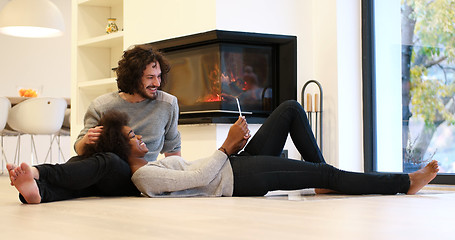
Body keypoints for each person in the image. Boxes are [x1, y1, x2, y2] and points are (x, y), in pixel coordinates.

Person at [9, 101, 439, 203]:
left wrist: (232, 148)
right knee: (322, 175)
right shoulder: (144, 177)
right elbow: (195, 179)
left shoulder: (150, 164)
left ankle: (319, 175)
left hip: (233, 164)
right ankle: (403, 183)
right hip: (237, 180)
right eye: (135, 139)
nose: (143, 138)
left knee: (288, 109)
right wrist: (227, 146)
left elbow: (194, 167)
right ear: (124, 148)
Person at [74, 43, 181, 161]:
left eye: (159, 76)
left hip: (145, 173)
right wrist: (86, 140)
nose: (157, 83)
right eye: (150, 77)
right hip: (109, 171)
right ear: (133, 77)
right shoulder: (100, 106)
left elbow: (173, 152)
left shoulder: (168, 104)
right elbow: (80, 150)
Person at [7, 111, 141, 204]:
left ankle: (39, 171)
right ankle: (38, 192)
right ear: (121, 146)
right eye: (133, 136)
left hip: (125, 182)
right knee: (79, 168)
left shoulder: (140, 165)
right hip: (104, 182)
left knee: (110, 161)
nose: (140, 137)